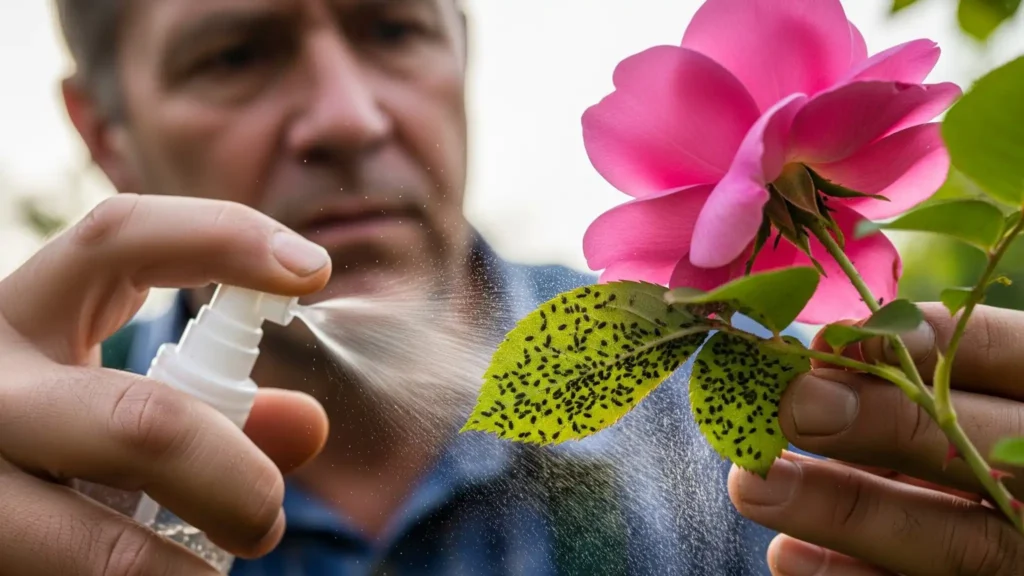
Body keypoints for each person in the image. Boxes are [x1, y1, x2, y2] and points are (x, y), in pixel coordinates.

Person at [0, 0, 1021, 574]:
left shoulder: (754, 403)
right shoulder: (46, 487)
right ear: (103, 131)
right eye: (234, 55)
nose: (349, 116)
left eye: (390, 29)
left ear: (459, 48)